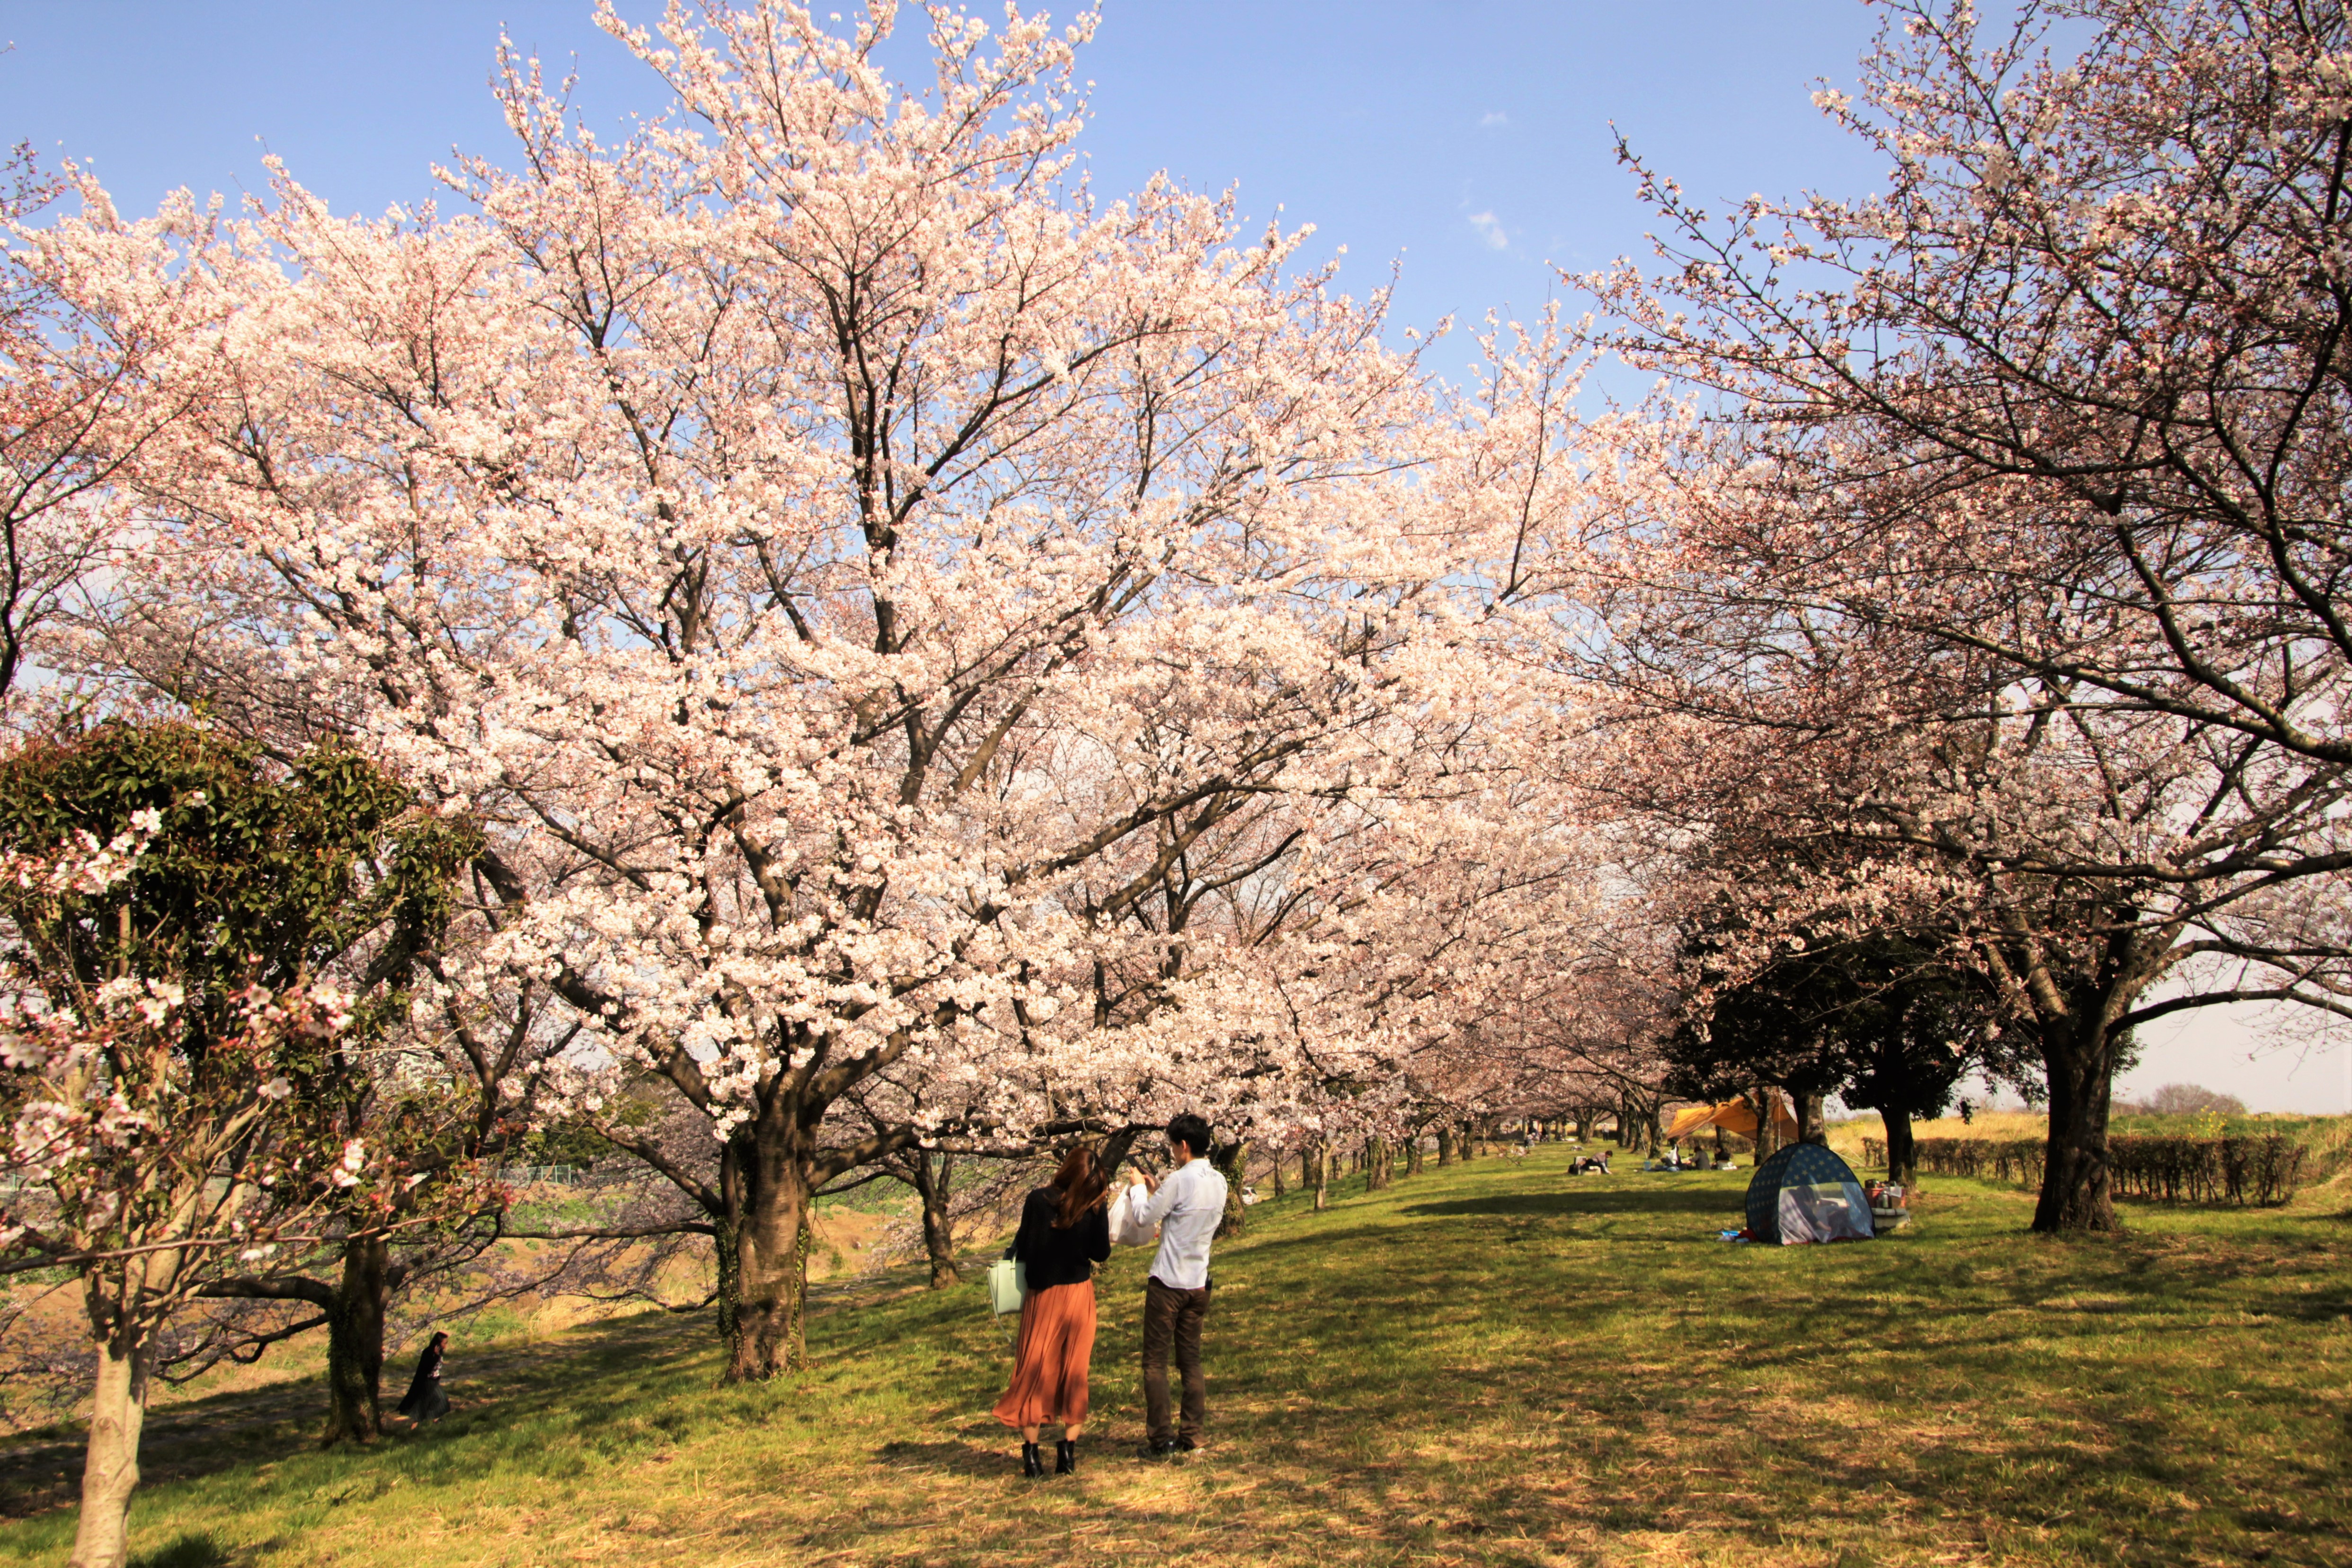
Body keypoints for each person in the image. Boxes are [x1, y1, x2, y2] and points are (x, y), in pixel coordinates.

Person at [993, 1143, 1112, 1477]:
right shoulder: (1094, 1204)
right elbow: (1101, 1253)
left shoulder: (1037, 1200)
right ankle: (1067, 1454)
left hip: (1042, 1296)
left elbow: (1026, 1246)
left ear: (1065, 1167)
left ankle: (1031, 1457)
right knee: (1075, 1370)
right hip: (1078, 1295)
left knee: (1032, 1371)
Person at [1129, 1111, 1228, 1459]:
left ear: (1183, 1145)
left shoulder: (1178, 1178)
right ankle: (1193, 1433)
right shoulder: (1219, 1181)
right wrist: (1159, 1193)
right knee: (1191, 1361)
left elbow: (1143, 1217)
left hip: (1167, 1282)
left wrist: (1139, 1190)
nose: (1172, 1152)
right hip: (1199, 1282)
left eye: (1172, 1146)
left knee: (1155, 1362)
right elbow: (1184, 1215)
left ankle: (1160, 1439)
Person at [396, 1331, 451, 1429]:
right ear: (438, 1343)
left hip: (434, 1381)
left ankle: (436, 1419)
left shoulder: (439, 1352)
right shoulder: (428, 1353)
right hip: (427, 1382)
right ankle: (414, 1426)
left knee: (441, 1399)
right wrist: (435, 1356)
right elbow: (427, 1368)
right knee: (423, 1404)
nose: (446, 1345)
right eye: (445, 1343)